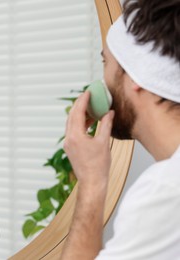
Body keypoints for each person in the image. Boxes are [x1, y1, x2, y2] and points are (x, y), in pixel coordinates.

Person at [61, 0, 180, 259]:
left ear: (135, 75)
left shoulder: (166, 192)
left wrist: (91, 181)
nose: (102, 80)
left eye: (106, 63)